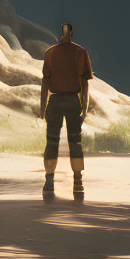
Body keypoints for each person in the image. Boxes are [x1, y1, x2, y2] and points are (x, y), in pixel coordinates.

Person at [40, 22, 93, 200]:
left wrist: (42, 106)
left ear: (62, 34)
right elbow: (85, 84)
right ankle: (77, 182)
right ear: (71, 33)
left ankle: (49, 182)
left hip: (56, 101)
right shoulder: (80, 52)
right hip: (72, 101)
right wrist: (84, 107)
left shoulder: (51, 52)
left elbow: (45, 82)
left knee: (52, 142)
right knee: (75, 143)